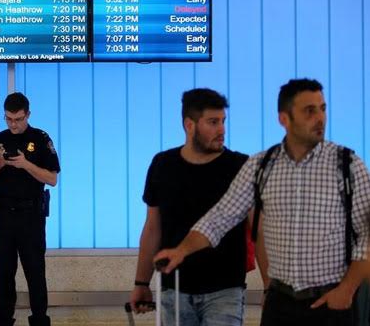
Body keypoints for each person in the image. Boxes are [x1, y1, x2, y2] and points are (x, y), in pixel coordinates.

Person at [154, 79, 370, 326]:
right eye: (309, 111)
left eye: (322, 109)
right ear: (284, 119)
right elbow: (220, 218)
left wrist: (347, 288)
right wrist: (181, 251)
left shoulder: (347, 165)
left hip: (331, 299)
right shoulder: (261, 166)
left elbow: (367, 233)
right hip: (281, 302)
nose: (320, 118)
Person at [129, 88, 249, 326]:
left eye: (223, 121)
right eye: (213, 122)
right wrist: (141, 282)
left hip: (225, 288)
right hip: (174, 288)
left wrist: (269, 288)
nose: (222, 130)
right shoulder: (163, 165)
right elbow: (153, 227)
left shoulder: (239, 166)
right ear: (189, 125)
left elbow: (260, 229)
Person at [0, 92, 60, 326]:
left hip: (31, 216)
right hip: (3, 217)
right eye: (9, 119)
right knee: (4, 274)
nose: (13, 124)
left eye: (18, 119)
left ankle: (39, 319)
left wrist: (26, 164)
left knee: (35, 273)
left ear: (28, 115)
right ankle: (3, 320)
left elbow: (52, 178)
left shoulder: (40, 138)